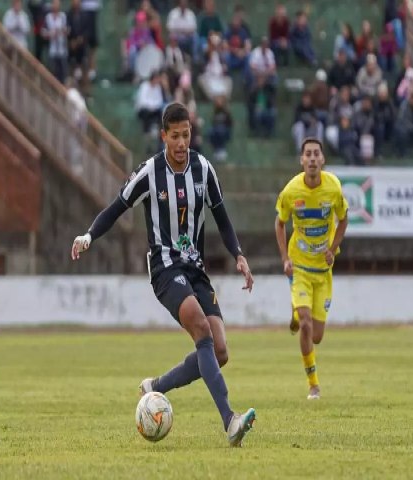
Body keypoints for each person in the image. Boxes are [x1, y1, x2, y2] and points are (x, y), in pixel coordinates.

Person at [71, 102, 256, 447]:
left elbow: (223, 219)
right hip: (165, 269)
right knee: (200, 329)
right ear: (163, 136)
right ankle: (230, 420)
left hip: (196, 270)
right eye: (175, 136)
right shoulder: (148, 173)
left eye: (186, 135)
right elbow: (115, 208)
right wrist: (88, 236)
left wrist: (239, 256)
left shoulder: (203, 168)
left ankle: (155, 387)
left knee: (219, 351)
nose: (182, 143)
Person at [274, 138, 349, 400]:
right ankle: (313, 385)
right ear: (302, 160)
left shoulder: (334, 188)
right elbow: (280, 223)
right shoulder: (291, 191)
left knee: (316, 336)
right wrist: (285, 258)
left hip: (323, 272)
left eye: (317, 153)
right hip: (301, 268)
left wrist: (333, 247)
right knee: (306, 324)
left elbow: (344, 218)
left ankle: (297, 316)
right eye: (308, 154)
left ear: (323, 159)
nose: (313, 158)